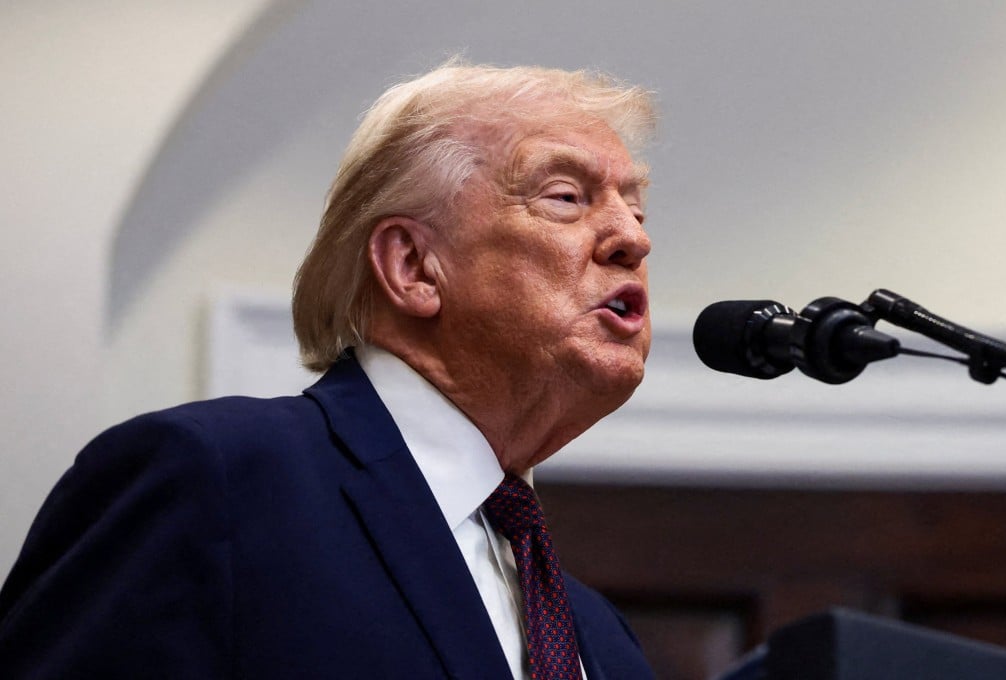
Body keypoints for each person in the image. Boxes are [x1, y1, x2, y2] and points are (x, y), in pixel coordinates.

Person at [0, 61, 657, 679]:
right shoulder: (212, 483)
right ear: (413, 267)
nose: (634, 237)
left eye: (636, 208)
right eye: (567, 196)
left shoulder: (599, 639)